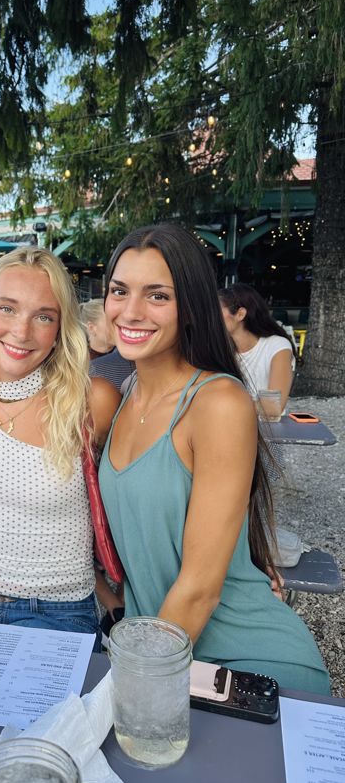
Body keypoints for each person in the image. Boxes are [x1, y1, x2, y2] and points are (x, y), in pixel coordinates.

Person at [98, 223, 329, 693]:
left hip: (243, 657)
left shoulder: (218, 402)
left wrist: (136, 683)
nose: (131, 310)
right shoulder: (121, 395)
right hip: (156, 646)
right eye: (120, 291)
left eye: (157, 296)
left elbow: (201, 587)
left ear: (191, 306)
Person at [0, 247, 122, 639]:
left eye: (43, 316)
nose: (22, 332)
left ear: (59, 329)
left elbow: (136, 505)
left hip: (58, 610)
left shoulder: (91, 401)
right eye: (7, 308)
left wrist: (114, 598)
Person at [219, 283, 297, 410]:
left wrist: (223, 406)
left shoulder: (277, 346)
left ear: (240, 314)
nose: (210, 318)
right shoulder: (219, 350)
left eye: (216, 312)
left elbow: (274, 406)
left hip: (265, 422)